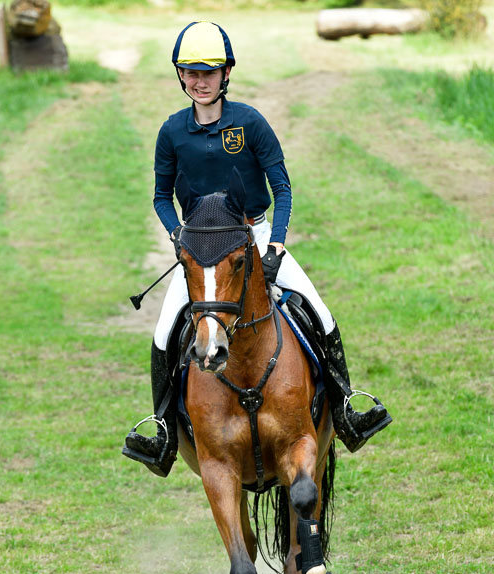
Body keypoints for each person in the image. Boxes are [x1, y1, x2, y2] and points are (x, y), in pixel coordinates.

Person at [123, 21, 391, 477]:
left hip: (256, 234)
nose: (199, 81)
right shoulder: (171, 132)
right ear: (180, 76)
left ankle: (346, 408)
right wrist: (177, 236)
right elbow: (159, 197)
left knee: (320, 313)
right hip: (203, 248)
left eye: (209, 72)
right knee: (164, 331)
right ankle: (163, 432)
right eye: (190, 72)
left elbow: (282, 188)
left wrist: (278, 245)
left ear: (226, 74)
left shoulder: (250, 122)